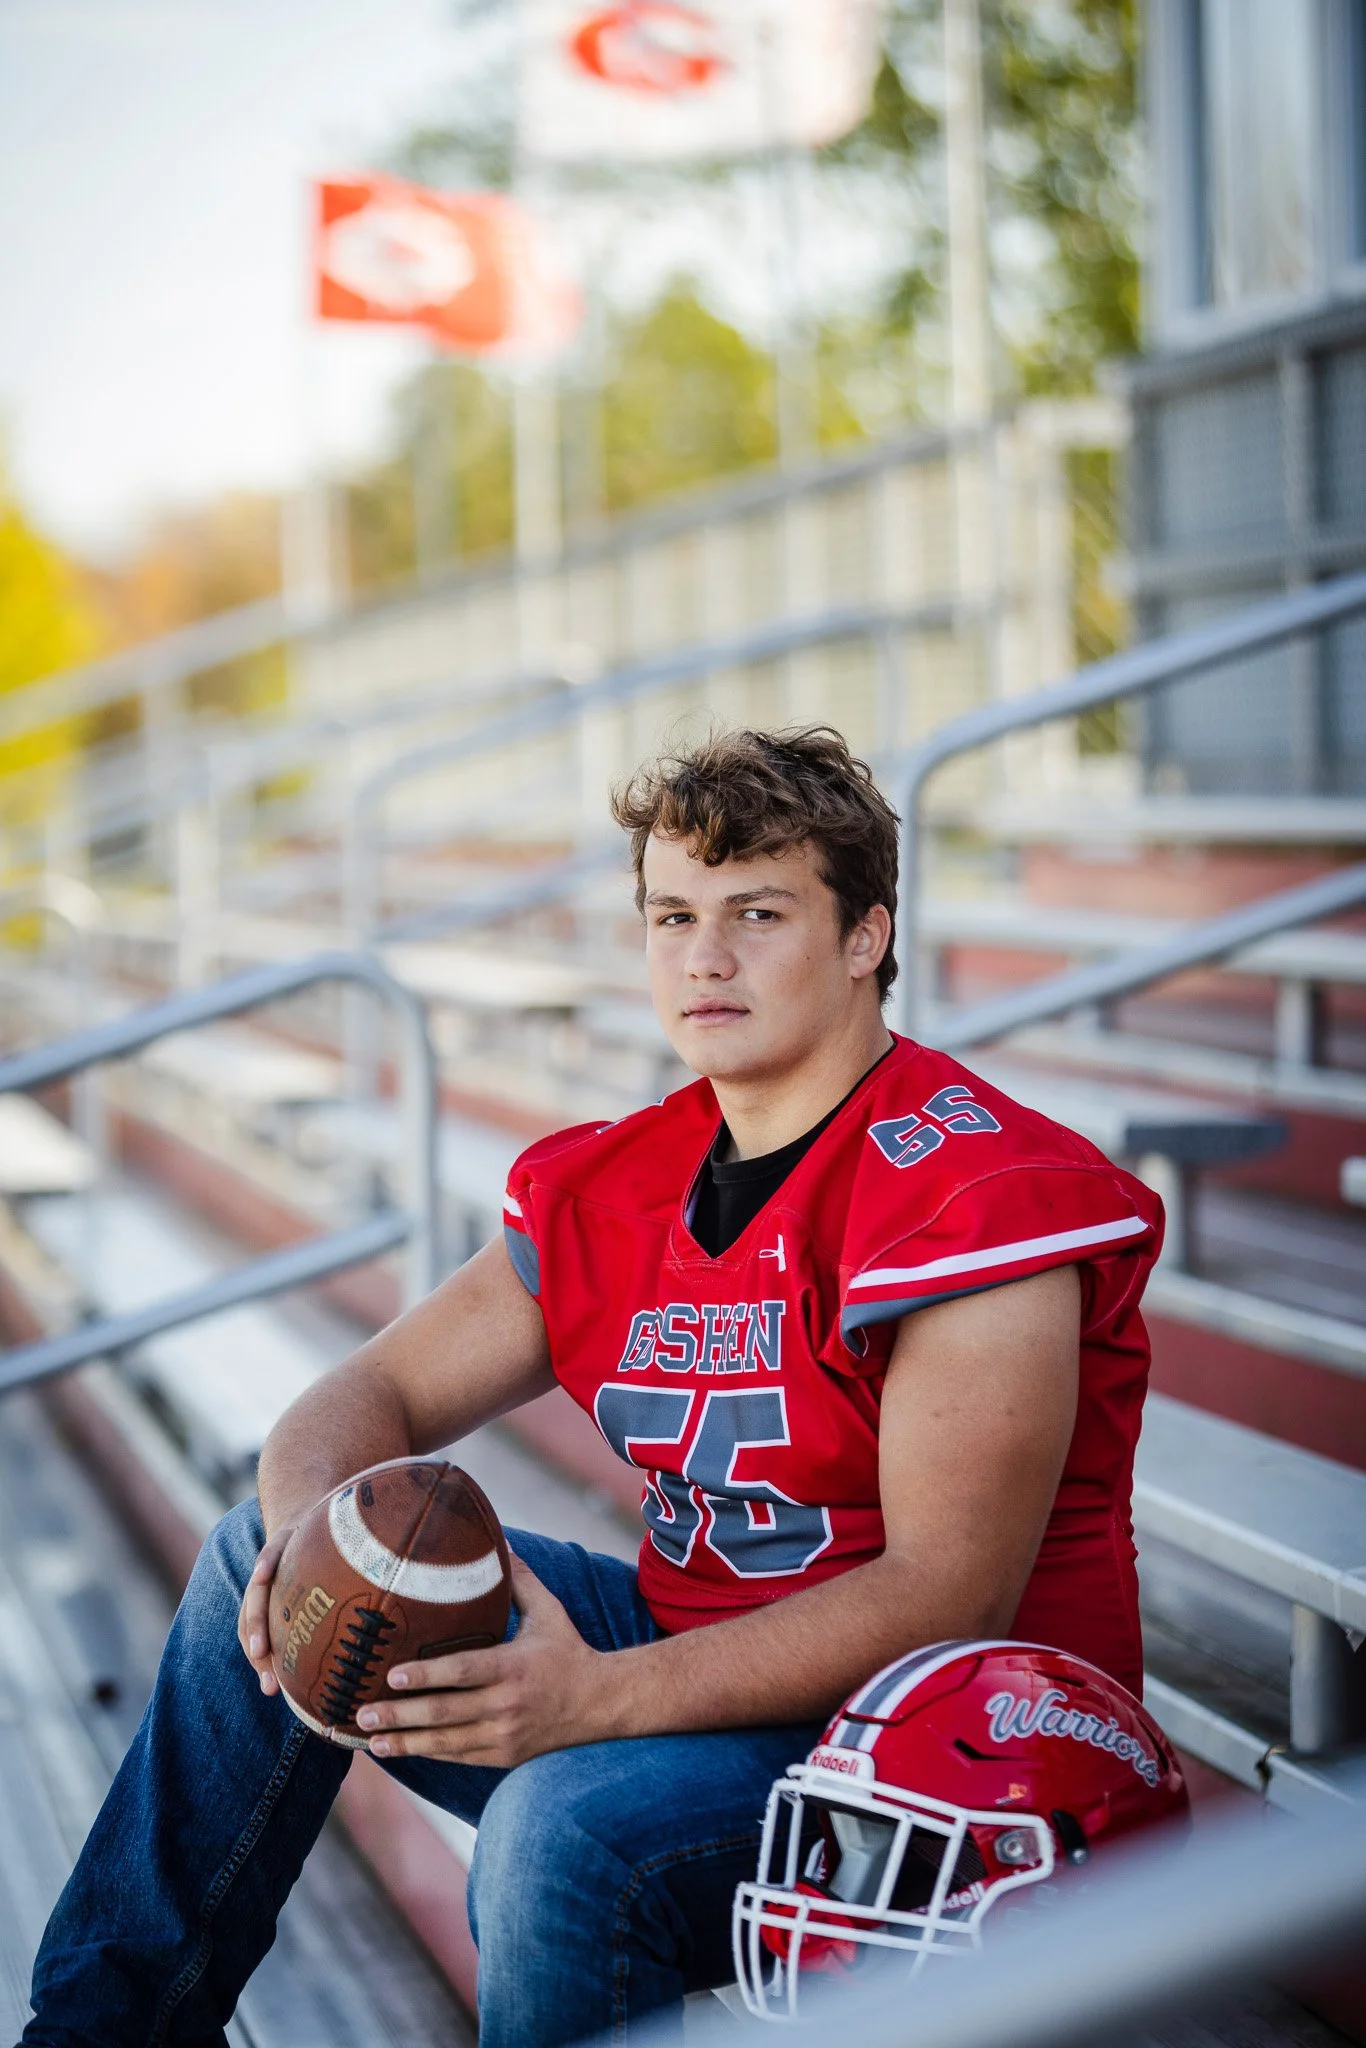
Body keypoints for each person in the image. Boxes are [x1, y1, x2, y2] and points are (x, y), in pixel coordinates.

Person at [24, 727, 1163, 2048]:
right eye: (672, 916)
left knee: (565, 1830)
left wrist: (594, 1704)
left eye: (757, 914)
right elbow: (366, 1393)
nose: (705, 957)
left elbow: (943, 1594)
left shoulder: (969, 1192)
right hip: (700, 1657)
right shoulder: (618, 1177)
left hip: (957, 1750)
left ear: (865, 937)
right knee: (259, 1559)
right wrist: (309, 1547)